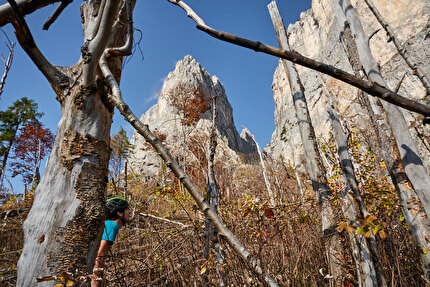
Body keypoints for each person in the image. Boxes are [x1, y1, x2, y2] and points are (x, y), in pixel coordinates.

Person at [91, 196, 130, 287]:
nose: (129, 212)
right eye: (127, 209)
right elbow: (100, 254)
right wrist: (95, 281)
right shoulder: (112, 225)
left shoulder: (108, 224)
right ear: (119, 213)